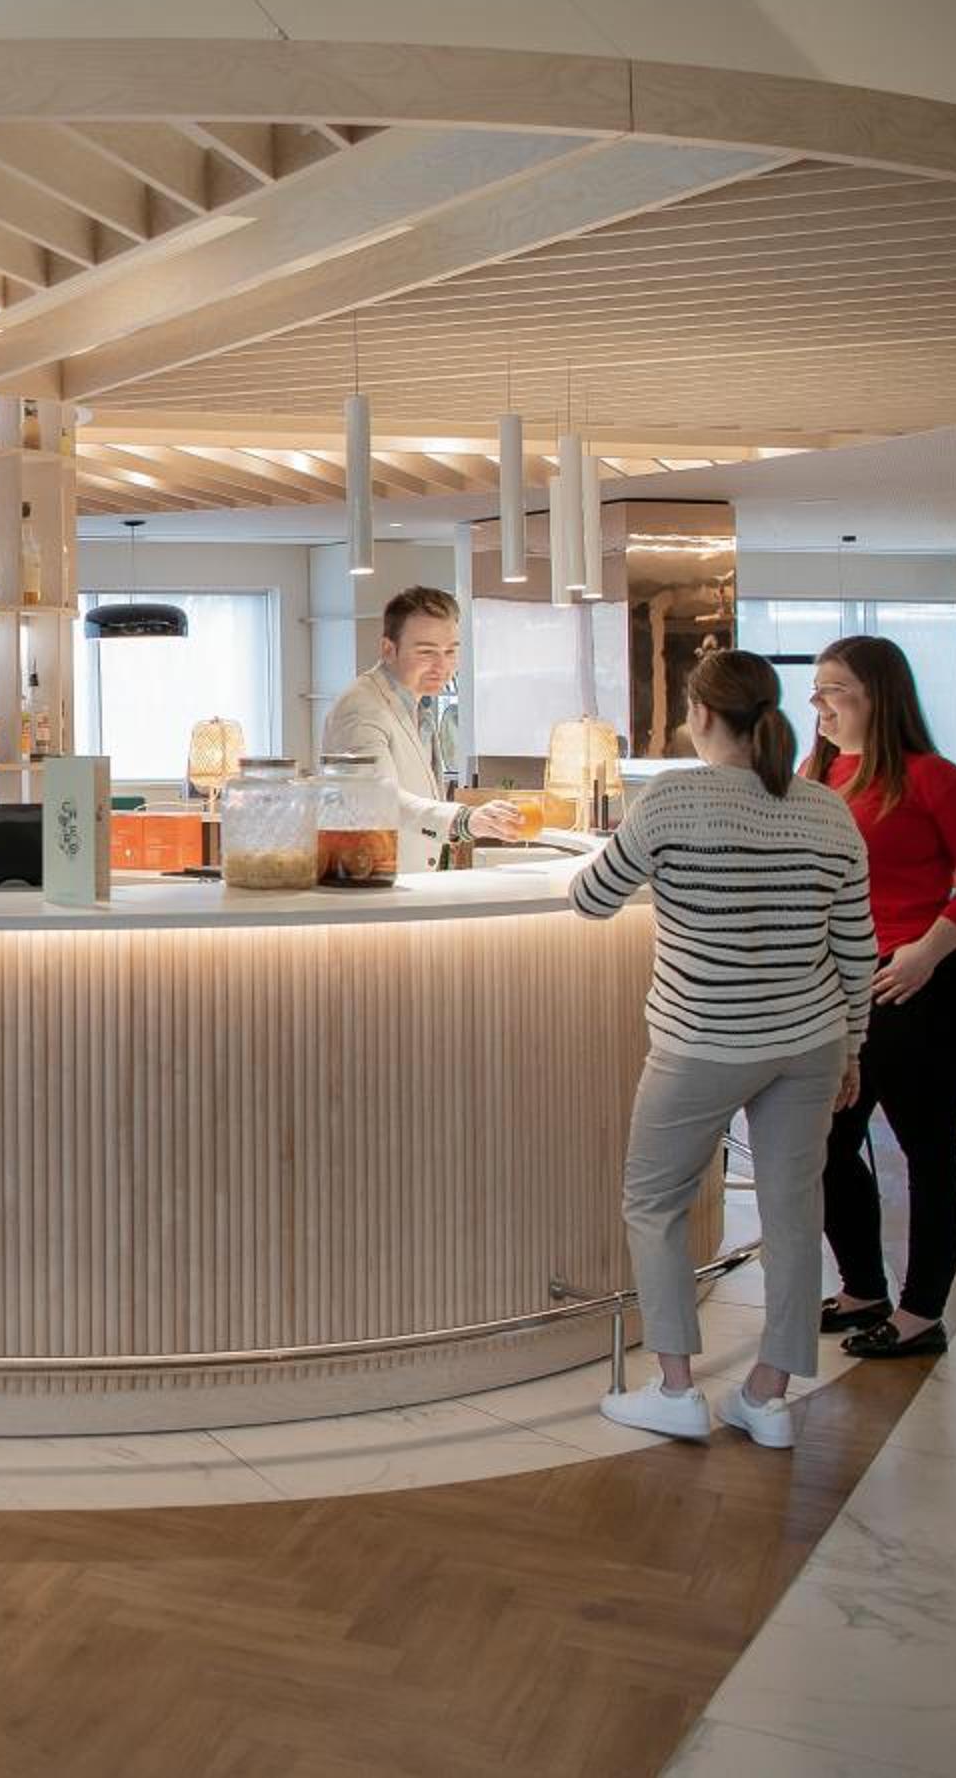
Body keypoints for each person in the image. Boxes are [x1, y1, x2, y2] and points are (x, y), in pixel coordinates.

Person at [570, 650, 875, 1448]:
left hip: (703, 1041)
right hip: (810, 1041)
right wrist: (853, 1047)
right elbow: (856, 948)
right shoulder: (827, 810)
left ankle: (677, 1389)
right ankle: (768, 1398)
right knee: (794, 1212)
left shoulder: (673, 798)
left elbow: (592, 899)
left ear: (701, 714)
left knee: (655, 1203)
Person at [806, 635, 956, 1360]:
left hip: (919, 983)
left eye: (835, 689)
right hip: (840, 987)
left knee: (926, 1152)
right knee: (825, 1143)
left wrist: (928, 950)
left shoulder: (934, 779)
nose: (819, 702)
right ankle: (864, 1287)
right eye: (817, 688)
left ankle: (923, 1312)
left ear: (879, 696)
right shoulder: (816, 774)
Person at [321, 587, 528, 870]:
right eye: (427, 652)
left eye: (450, 651)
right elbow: (376, 798)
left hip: (408, 880)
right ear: (388, 649)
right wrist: (463, 820)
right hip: (371, 880)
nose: (442, 666)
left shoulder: (419, 706)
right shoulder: (361, 707)